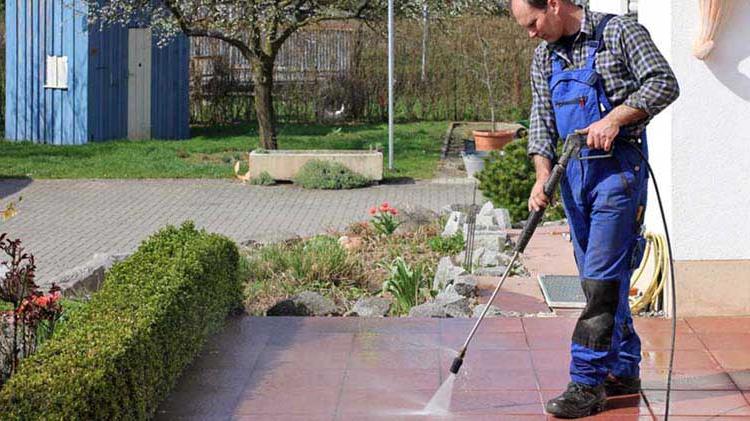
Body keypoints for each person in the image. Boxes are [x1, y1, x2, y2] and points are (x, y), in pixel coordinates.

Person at [509, 0, 679, 418]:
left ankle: (586, 382)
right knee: (597, 278)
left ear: (553, 4)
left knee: (601, 280)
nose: (531, 33)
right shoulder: (544, 56)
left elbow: (664, 82)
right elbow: (542, 120)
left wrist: (615, 119)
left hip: (617, 173)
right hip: (573, 178)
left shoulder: (618, 32)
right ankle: (622, 369)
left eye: (533, 23)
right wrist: (541, 176)